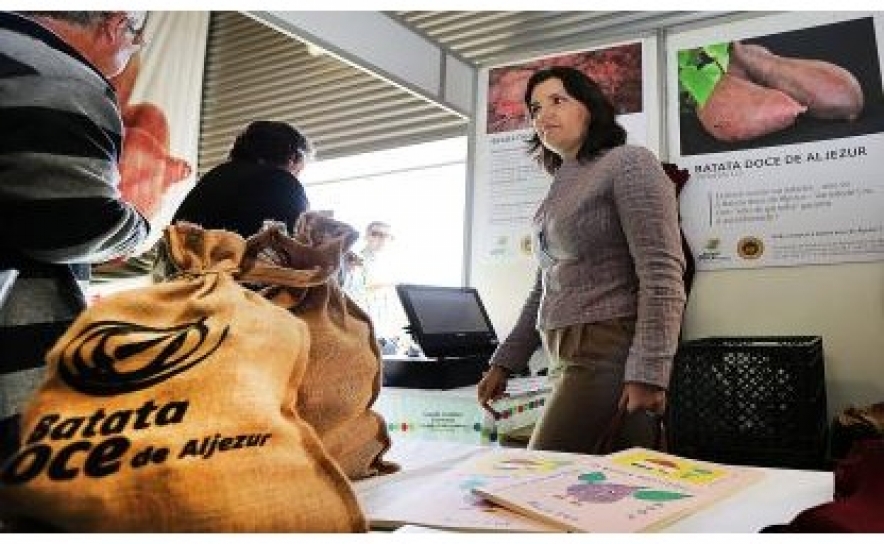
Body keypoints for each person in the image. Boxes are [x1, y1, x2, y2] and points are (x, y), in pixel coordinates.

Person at [476, 66, 686, 454]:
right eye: (535, 108)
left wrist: (651, 372)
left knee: (543, 471)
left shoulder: (628, 162)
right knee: (604, 491)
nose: (543, 115)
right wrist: (504, 363)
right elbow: (546, 284)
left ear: (590, 107)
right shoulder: (561, 185)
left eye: (558, 100)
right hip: (562, 353)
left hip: (607, 348)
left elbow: (662, 273)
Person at [0, 11, 151, 461]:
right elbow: (73, 222)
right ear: (115, 23)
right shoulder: (59, 75)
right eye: (134, 43)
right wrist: (139, 231)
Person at [172, 120, 311, 238]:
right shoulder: (281, 182)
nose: (296, 177)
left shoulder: (215, 176)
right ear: (293, 158)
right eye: (298, 172)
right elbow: (298, 248)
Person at [342, 221, 406, 348]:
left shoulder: (392, 266)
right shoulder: (353, 261)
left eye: (386, 236)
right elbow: (350, 293)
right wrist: (384, 284)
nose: (382, 239)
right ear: (366, 236)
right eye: (376, 234)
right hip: (361, 330)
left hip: (386, 333)